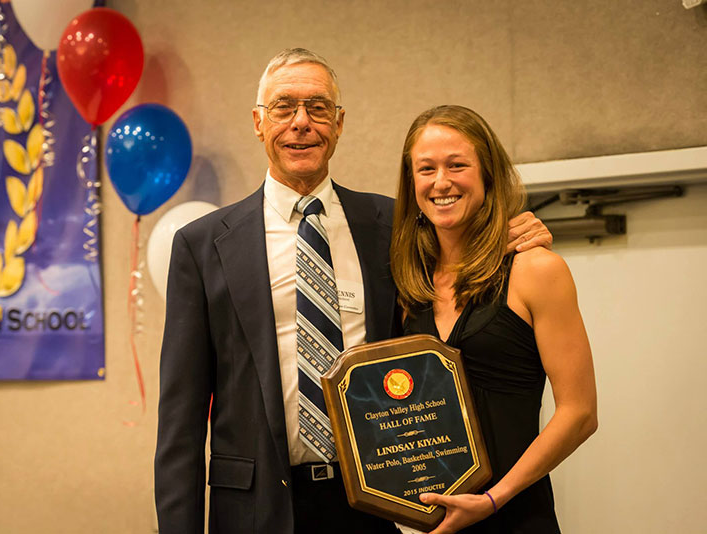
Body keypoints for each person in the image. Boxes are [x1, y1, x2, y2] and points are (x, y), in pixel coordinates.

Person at [154, 50, 551, 534]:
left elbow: (464, 243)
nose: (302, 123)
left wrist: (521, 233)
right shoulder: (201, 246)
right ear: (258, 123)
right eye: (284, 107)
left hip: (376, 506)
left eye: (318, 108)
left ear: (339, 124)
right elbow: (181, 419)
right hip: (255, 510)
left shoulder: (396, 227)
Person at [390, 105, 598, 534]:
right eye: (425, 169)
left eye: (457, 165)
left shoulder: (536, 270)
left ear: (488, 174)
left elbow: (580, 413)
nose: (441, 182)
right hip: (435, 524)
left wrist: (492, 499)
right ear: (411, 185)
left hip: (516, 516)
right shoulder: (410, 286)